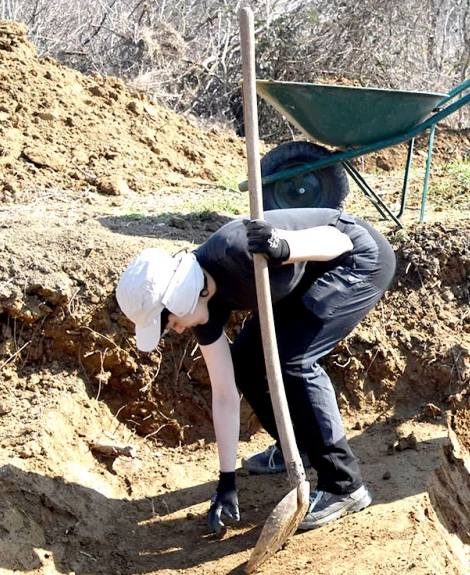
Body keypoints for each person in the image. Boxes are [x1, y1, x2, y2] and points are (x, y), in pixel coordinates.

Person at [115, 208, 395, 533]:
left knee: (294, 360)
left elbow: (338, 241)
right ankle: (298, 446)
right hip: (307, 279)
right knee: (245, 363)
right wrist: (226, 480)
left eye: (171, 323)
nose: (177, 331)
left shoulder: (237, 252)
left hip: (357, 260)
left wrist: (282, 247)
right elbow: (224, 393)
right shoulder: (204, 308)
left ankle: (344, 485)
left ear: (179, 300)